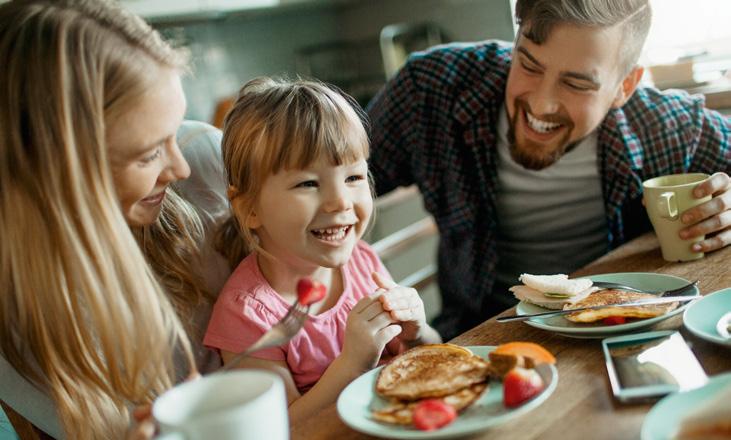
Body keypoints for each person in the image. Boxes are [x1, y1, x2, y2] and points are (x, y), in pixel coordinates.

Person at [366, 0, 731, 340]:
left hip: (624, 330)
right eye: (528, 64)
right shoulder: (431, 90)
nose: (541, 104)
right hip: (480, 335)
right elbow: (329, 171)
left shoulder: (670, 128)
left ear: (625, 86)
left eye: (576, 84)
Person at [0, 1, 230, 438]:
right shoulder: (16, 315)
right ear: (55, 173)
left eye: (174, 130)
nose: (178, 167)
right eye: (148, 155)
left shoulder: (207, 162)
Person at [204, 77, 442, 426]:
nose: (340, 201)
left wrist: (417, 331)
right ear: (250, 209)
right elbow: (283, 429)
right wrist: (352, 363)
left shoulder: (362, 260)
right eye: (308, 183)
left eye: (354, 178)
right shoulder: (248, 316)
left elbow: (430, 354)